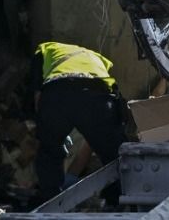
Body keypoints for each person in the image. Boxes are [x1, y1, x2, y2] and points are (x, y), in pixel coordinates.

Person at [33, 42, 127, 203]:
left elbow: (37, 94)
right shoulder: (99, 59)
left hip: (57, 95)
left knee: (49, 154)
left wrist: (48, 128)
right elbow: (114, 98)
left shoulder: (45, 49)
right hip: (97, 97)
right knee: (115, 157)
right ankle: (117, 202)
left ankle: (50, 202)